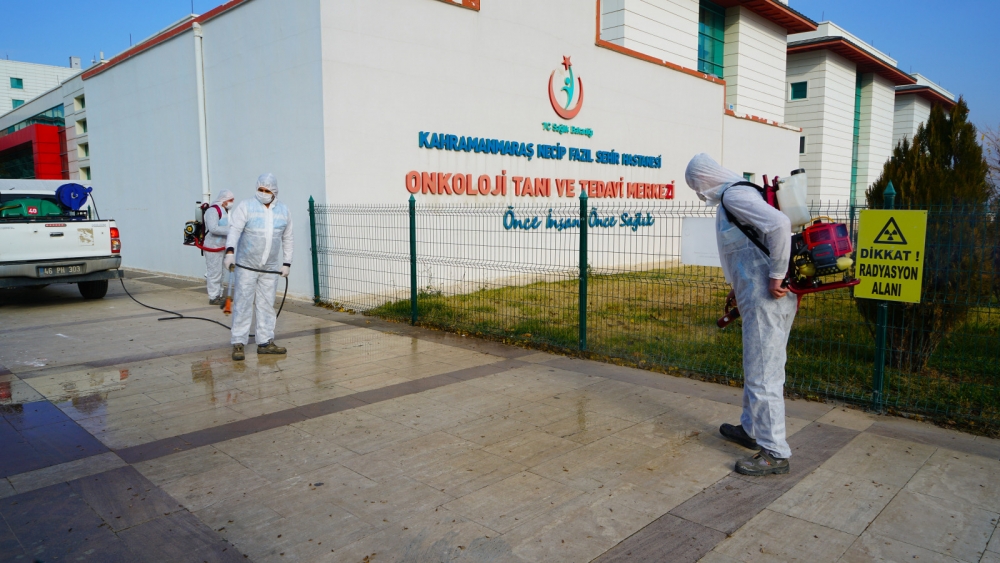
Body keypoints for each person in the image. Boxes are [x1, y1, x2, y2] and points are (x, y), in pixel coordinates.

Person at [684, 153, 796, 476]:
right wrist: (738, 286)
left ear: (704, 179)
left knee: (764, 374)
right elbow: (747, 248)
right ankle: (751, 429)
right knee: (758, 367)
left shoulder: (734, 196)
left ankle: (775, 452)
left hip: (766, 299)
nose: (698, 193)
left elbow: (780, 225)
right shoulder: (735, 195)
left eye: (695, 185)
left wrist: (776, 275)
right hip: (758, 295)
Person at [223, 173, 293, 361]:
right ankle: (238, 342)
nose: (263, 193)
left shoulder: (284, 211)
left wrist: (287, 262)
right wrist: (230, 252)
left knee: (266, 304)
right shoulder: (246, 206)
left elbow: (288, 238)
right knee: (243, 303)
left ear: (274, 192)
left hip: (270, 268)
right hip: (247, 266)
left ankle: (265, 341)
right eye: (260, 189)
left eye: (267, 190)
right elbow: (234, 230)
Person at [204, 190, 235, 306]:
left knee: (221, 272)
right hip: (212, 246)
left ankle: (219, 295)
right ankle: (213, 296)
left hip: (222, 246)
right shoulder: (213, 210)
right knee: (214, 272)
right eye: (230, 200)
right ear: (224, 200)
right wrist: (231, 230)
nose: (232, 202)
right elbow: (213, 228)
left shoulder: (225, 211)